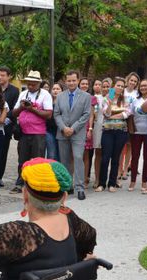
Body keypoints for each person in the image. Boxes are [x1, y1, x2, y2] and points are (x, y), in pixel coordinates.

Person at [11, 70, 53, 194]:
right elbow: (13, 113)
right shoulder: (23, 94)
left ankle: (35, 185)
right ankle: (20, 183)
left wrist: (32, 109)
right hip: (24, 133)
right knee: (22, 160)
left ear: (39, 83)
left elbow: (48, 114)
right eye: (29, 84)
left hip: (38, 134)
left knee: (37, 160)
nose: (30, 86)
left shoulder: (45, 95)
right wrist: (21, 107)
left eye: (33, 84)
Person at [55, 70, 92, 200]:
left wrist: (73, 128)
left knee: (77, 158)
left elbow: (86, 114)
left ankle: (79, 188)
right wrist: (63, 128)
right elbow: (56, 114)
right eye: (69, 80)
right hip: (62, 132)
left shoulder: (86, 96)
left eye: (73, 80)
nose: (71, 83)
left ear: (78, 80)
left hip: (78, 133)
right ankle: (67, 186)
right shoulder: (60, 96)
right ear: (65, 81)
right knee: (64, 161)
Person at [98, 77, 131, 194]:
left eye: (122, 86)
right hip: (108, 131)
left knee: (116, 158)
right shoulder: (107, 98)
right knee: (105, 158)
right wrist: (111, 102)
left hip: (121, 131)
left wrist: (113, 116)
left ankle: (112, 183)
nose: (120, 88)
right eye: (118, 85)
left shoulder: (126, 99)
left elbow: (127, 113)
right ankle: (101, 183)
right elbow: (106, 113)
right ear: (114, 86)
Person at [0, 67, 20, 188]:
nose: (0, 77)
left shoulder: (14, 90)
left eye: (3, 75)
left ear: (9, 76)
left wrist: (6, 118)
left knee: (2, 153)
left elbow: (14, 107)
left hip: (6, 125)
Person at [129, 79, 147, 191]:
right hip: (137, 132)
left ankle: (144, 181)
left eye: (145, 86)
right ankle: (133, 181)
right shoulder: (135, 100)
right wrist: (131, 130)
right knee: (135, 157)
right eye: (141, 86)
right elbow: (131, 116)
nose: (143, 88)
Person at [87, 79, 105, 188]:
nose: (98, 86)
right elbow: (91, 114)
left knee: (100, 153)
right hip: (93, 127)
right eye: (96, 84)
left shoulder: (108, 97)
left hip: (102, 126)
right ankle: (89, 177)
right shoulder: (91, 97)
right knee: (89, 154)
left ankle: (99, 178)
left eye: (100, 85)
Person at [45, 83, 62, 161]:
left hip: (61, 131)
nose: (55, 91)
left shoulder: (64, 103)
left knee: (59, 154)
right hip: (49, 131)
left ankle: (57, 172)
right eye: (54, 89)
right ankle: (50, 172)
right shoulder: (47, 102)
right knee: (51, 154)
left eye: (58, 89)